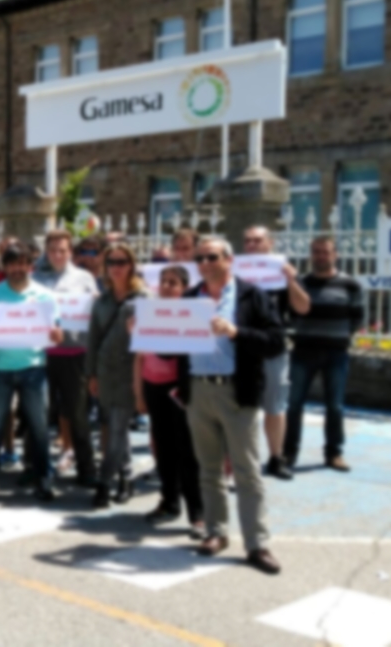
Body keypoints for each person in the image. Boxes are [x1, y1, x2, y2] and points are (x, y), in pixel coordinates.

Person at [176, 236, 284, 575]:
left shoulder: (253, 295)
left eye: (211, 257)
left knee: (247, 471)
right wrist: (144, 332)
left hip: (237, 392)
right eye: (199, 259)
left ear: (229, 259)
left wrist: (236, 332)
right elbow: (172, 346)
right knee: (208, 468)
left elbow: (276, 342)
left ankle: (257, 544)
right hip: (199, 391)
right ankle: (216, 532)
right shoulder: (189, 298)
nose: (204, 264)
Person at [0, 244, 64, 501]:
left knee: (39, 428)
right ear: (5, 267)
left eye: (22, 263)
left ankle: (43, 477)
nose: (18, 268)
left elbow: (56, 332)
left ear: (30, 266)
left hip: (33, 367)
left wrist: (56, 335)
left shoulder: (46, 296)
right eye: (12, 263)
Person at [283, 236, 364, 473]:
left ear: (335, 254)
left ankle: (334, 453)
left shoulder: (350, 284)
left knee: (335, 406)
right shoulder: (300, 283)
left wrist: (341, 336)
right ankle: (288, 454)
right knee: (294, 404)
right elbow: (290, 314)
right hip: (303, 352)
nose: (321, 256)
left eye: (325, 252)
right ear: (311, 255)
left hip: (335, 354)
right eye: (316, 252)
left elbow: (357, 316)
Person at [133, 265, 203, 534]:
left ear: (185, 288)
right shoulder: (148, 313)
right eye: (163, 281)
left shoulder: (192, 314)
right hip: (153, 387)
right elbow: (139, 358)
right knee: (162, 448)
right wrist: (139, 393)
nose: (166, 287)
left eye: (173, 283)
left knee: (186, 451)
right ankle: (169, 502)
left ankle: (198, 512)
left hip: (179, 388)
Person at [242, 226, 311, 480]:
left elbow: (303, 308)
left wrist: (291, 280)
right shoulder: (234, 270)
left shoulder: (282, 270)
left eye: (257, 240)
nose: (251, 245)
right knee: (240, 407)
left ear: (270, 243)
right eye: (247, 241)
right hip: (241, 347)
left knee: (275, 406)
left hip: (272, 348)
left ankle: (276, 457)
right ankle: (242, 461)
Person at [34, 229, 100, 486]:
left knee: (78, 413)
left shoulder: (84, 278)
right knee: (38, 412)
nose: (57, 255)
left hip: (75, 354)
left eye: (62, 250)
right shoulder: (36, 278)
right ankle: (36, 467)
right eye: (52, 250)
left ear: (70, 252)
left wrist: (94, 302)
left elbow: (95, 315)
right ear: (46, 251)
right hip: (43, 353)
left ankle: (87, 468)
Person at [86, 243, 147, 508]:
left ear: (131, 265)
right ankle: (127, 477)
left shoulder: (145, 298)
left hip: (131, 371)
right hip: (105, 370)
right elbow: (93, 339)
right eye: (111, 262)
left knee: (116, 429)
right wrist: (91, 374)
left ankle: (104, 482)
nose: (116, 268)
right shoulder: (101, 301)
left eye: (122, 262)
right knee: (117, 428)